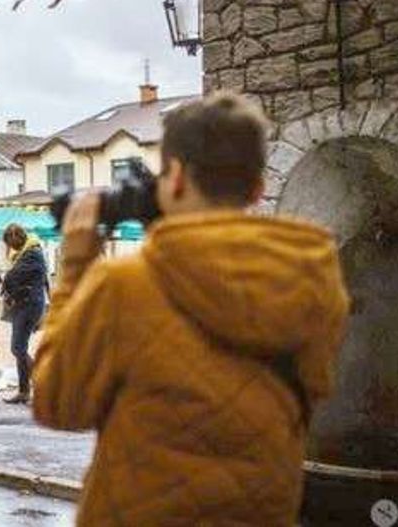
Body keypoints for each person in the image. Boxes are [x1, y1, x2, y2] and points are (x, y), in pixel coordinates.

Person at [32, 93, 349, 525]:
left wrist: (74, 269)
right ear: (257, 188)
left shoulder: (126, 286)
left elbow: (57, 405)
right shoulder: (315, 280)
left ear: (176, 176)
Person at [0, 225, 48, 404]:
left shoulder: (32, 254)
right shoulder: (26, 253)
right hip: (25, 304)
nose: (11, 248)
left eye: (10, 243)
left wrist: (7, 280)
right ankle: (24, 391)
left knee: (18, 348)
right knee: (20, 348)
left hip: (29, 305)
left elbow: (11, 278)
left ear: (16, 238)